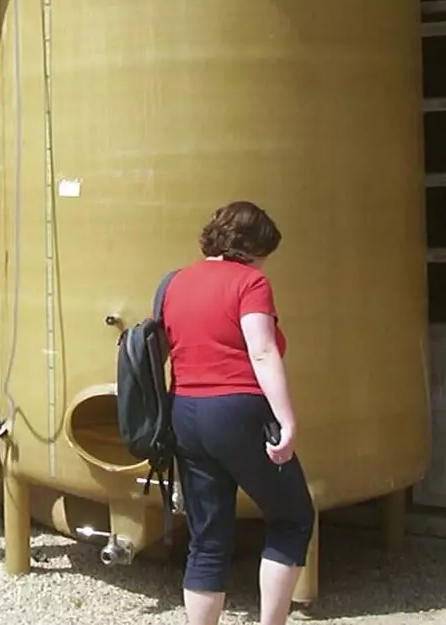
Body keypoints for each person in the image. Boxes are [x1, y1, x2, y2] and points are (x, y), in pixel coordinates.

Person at [159, 200, 314, 625]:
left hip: (186, 414)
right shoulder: (250, 283)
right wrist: (287, 420)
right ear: (252, 246)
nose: (265, 263)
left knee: (207, 540)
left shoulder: (176, 283)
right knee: (292, 517)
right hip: (237, 411)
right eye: (265, 253)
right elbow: (261, 351)